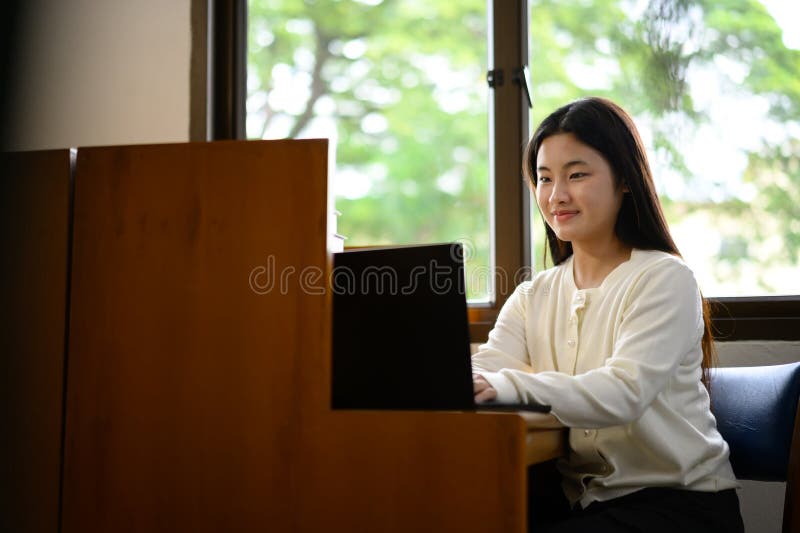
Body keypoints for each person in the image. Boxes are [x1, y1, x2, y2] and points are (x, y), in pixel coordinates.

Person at [471, 97, 744, 532]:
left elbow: (623, 393)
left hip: (679, 507)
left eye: (576, 175)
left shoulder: (664, 278)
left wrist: (502, 384)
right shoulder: (533, 294)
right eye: (544, 179)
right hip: (582, 503)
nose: (556, 195)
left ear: (625, 180)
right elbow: (487, 368)